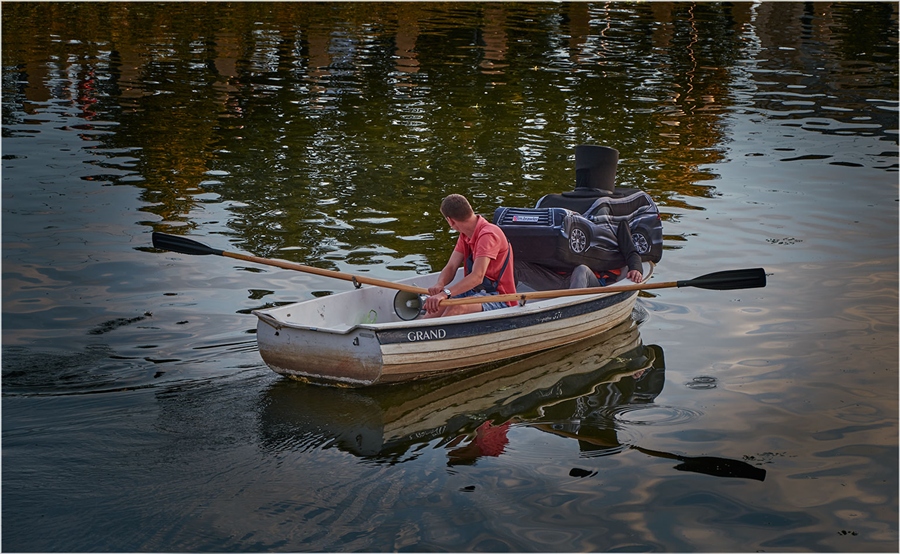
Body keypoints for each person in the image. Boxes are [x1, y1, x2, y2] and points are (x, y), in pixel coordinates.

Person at [423, 194, 516, 318]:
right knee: (437, 306)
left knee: (457, 307)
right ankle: (417, 333)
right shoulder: (465, 235)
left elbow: (477, 277)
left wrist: (446, 293)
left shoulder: (488, 235)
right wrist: (440, 284)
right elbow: (451, 266)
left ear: (450, 221)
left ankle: (440, 335)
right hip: (475, 291)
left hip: (500, 297)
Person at [515, 218, 644, 291]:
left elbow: (631, 251)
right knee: (516, 264)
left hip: (591, 280)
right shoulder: (565, 217)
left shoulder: (615, 222)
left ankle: (573, 310)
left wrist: (636, 268)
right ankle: (503, 306)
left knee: (581, 270)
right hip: (556, 278)